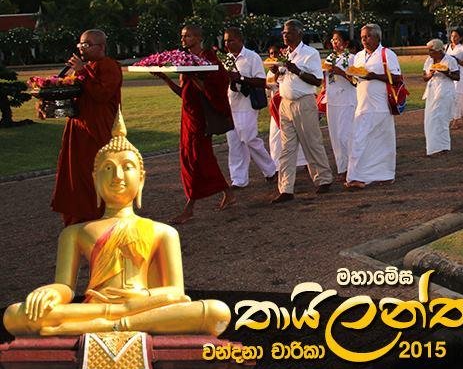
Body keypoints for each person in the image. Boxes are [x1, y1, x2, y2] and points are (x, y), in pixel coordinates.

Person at [4, 113, 231, 337]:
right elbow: (66, 287)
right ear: (95, 179)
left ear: (141, 178)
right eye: (108, 168)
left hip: (141, 306)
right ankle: (117, 321)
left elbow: (175, 293)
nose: (118, 176)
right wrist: (51, 292)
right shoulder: (74, 233)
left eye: (127, 167)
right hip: (98, 308)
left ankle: (110, 324)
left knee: (217, 311)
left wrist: (133, 304)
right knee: (14, 315)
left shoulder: (164, 232)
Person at [154, 25, 235, 224]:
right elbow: (183, 93)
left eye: (188, 36)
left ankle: (189, 207)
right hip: (188, 116)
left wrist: (194, 74)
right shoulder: (185, 61)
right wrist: (165, 78)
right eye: (182, 36)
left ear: (198, 38)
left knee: (198, 158)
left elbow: (215, 88)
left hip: (202, 117)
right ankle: (227, 191)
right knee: (192, 157)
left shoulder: (208, 59)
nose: (183, 40)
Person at [50, 29, 122, 227]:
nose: (82, 48)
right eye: (81, 44)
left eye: (87, 44)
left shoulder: (109, 66)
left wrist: (82, 71)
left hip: (99, 130)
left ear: (101, 47)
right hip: (79, 127)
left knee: (97, 173)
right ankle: (79, 217)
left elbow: (102, 94)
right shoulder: (84, 67)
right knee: (77, 174)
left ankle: (101, 216)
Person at [269, 20, 334, 203]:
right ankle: (286, 188)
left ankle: (323, 178)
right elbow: (280, 79)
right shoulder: (285, 54)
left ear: (299, 33)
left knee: (311, 143)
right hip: (285, 103)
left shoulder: (310, 53)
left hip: (303, 102)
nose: (285, 35)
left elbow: (317, 81)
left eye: (288, 32)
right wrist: (277, 71)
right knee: (287, 148)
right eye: (283, 32)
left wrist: (297, 70)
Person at [347, 24, 402, 188]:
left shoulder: (387, 54)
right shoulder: (358, 56)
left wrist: (375, 76)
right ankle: (356, 176)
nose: (364, 40)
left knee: (383, 141)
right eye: (362, 37)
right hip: (363, 104)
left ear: (378, 37)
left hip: (381, 105)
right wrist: (353, 76)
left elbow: (397, 78)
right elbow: (356, 79)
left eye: (368, 36)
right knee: (359, 140)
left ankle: (385, 175)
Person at [222, 27, 276, 190]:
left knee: (249, 138)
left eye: (231, 40)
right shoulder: (227, 59)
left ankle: (270, 169)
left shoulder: (252, 57)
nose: (227, 44)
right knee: (234, 142)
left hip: (247, 104)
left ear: (240, 40)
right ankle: (238, 179)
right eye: (225, 41)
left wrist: (240, 78)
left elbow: (261, 81)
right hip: (231, 104)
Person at [265, 44, 306, 169]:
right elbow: (269, 90)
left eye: (276, 53)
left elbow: (285, 84)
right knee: (275, 136)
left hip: (290, 104)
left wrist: (277, 72)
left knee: (298, 133)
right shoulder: (270, 72)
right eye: (271, 54)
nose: (274, 56)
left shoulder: (286, 68)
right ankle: (276, 165)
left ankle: (303, 161)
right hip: (276, 108)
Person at [323, 31, 357, 181]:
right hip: (332, 100)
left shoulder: (352, 58)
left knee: (345, 135)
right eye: (333, 40)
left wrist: (341, 72)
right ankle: (342, 167)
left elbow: (356, 80)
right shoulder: (330, 58)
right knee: (335, 136)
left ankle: (353, 167)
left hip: (347, 100)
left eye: (337, 40)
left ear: (346, 43)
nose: (334, 42)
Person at [421, 39, 460, 156]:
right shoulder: (429, 61)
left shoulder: (450, 60)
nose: (429, 53)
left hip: (445, 92)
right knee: (430, 120)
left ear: (439, 50)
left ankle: (443, 146)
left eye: (431, 51)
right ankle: (432, 147)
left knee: (441, 119)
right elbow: (424, 77)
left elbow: (457, 77)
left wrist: (446, 72)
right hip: (432, 92)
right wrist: (430, 74)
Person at [445, 30, 463, 129]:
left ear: (460, 38)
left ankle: (455, 120)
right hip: (450, 75)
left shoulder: (462, 49)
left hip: (460, 75)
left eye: (456, 36)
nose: (453, 38)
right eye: (452, 36)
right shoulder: (447, 47)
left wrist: (456, 60)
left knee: (456, 97)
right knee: (462, 97)